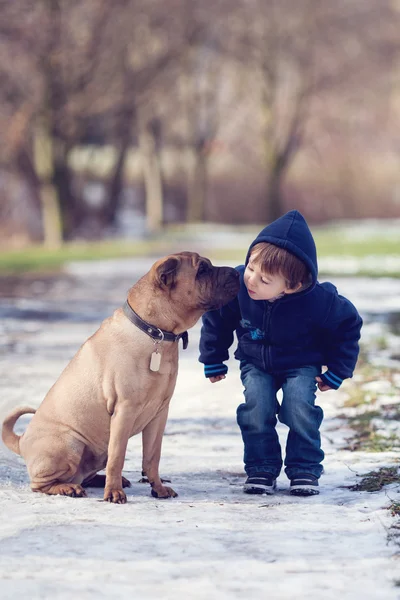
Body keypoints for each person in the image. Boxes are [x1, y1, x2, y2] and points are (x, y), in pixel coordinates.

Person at [199, 210, 362, 496]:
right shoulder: (238, 286)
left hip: (302, 363)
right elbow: (217, 318)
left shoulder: (319, 301)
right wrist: (213, 358)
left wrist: (338, 370)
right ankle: (261, 467)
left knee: (298, 407)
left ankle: (304, 469)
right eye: (251, 268)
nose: (251, 280)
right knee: (256, 408)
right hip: (255, 361)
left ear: (292, 286)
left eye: (265, 280)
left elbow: (347, 327)